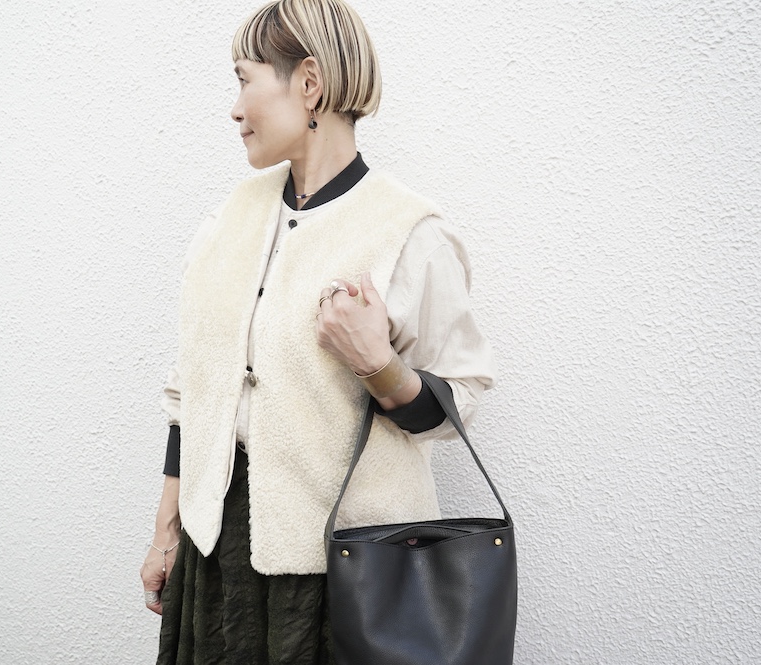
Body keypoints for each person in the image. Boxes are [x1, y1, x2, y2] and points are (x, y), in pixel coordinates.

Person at [140, 0, 496, 662]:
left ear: (308, 83)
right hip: (216, 556)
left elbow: (461, 401)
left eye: (245, 80)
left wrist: (378, 365)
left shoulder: (409, 233)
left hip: (342, 573)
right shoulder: (228, 220)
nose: (235, 109)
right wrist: (167, 531)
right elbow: (192, 393)